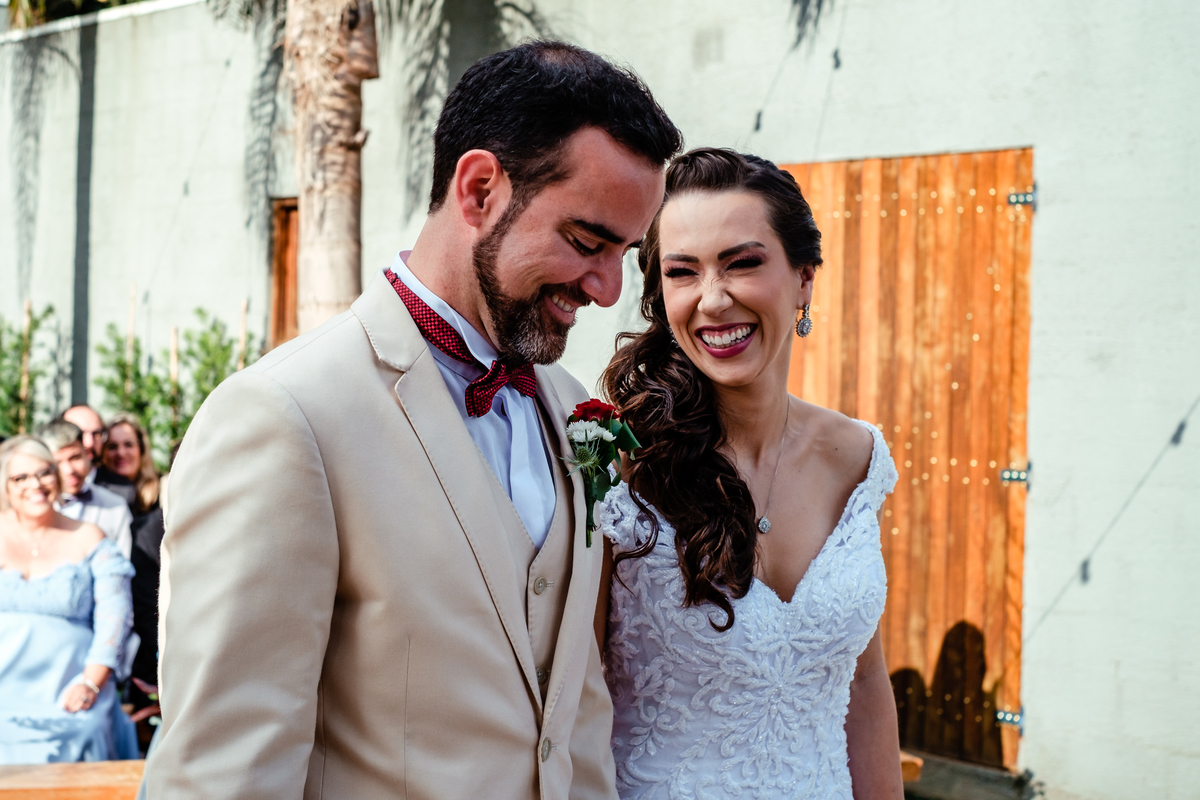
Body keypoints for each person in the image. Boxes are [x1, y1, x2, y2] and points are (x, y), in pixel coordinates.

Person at [142, 41, 680, 799]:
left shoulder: (569, 407)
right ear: (480, 189)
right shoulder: (286, 417)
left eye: (624, 252)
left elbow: (569, 713)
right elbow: (222, 770)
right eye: (587, 242)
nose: (604, 286)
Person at [598, 148, 903, 799]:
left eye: (743, 263)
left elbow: (863, 684)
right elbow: (570, 697)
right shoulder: (619, 465)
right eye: (683, 273)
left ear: (803, 279)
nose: (713, 299)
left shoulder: (858, 457)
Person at [0, 435, 138, 763]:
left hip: (73, 688)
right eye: (21, 477)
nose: (36, 484)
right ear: (6, 486)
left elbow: (115, 617)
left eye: (45, 472)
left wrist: (91, 683)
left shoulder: (89, 537)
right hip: (5, 687)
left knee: (80, 734)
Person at [38, 420, 134, 558]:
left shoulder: (115, 506)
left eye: (75, 457)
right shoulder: (33, 508)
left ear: (86, 454)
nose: (68, 470)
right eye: (57, 463)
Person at [62, 405, 137, 510]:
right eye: (80, 434)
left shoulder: (122, 491)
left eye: (96, 434)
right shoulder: (44, 484)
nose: (89, 443)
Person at [101, 414, 159, 516]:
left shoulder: (162, 490)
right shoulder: (95, 494)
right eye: (112, 446)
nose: (121, 453)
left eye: (128, 444)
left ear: (141, 449)